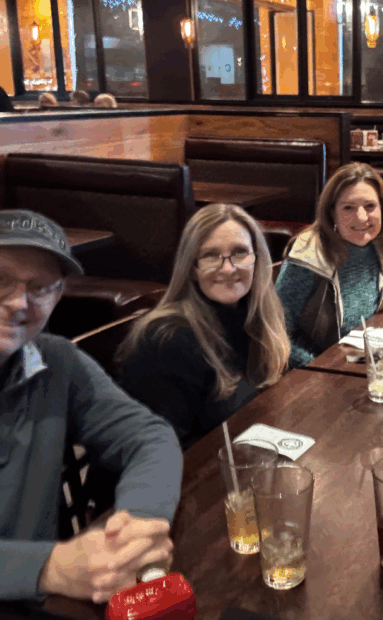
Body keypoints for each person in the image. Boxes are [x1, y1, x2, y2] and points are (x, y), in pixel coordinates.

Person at [0, 209, 182, 605]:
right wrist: (47, 568)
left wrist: (137, 526)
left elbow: (150, 438)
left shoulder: (56, 361)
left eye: (40, 287)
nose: (17, 302)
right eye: (1, 279)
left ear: (57, 297)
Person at [119, 204, 290, 449]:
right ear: (191, 269)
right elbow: (164, 451)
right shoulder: (167, 340)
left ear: (257, 260)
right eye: (211, 255)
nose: (228, 268)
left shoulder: (253, 318)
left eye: (240, 252)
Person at [275, 162, 383, 369]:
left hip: (359, 362)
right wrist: (319, 368)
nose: (362, 217)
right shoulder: (308, 255)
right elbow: (276, 334)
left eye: (370, 206)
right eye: (348, 208)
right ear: (332, 213)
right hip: (312, 371)